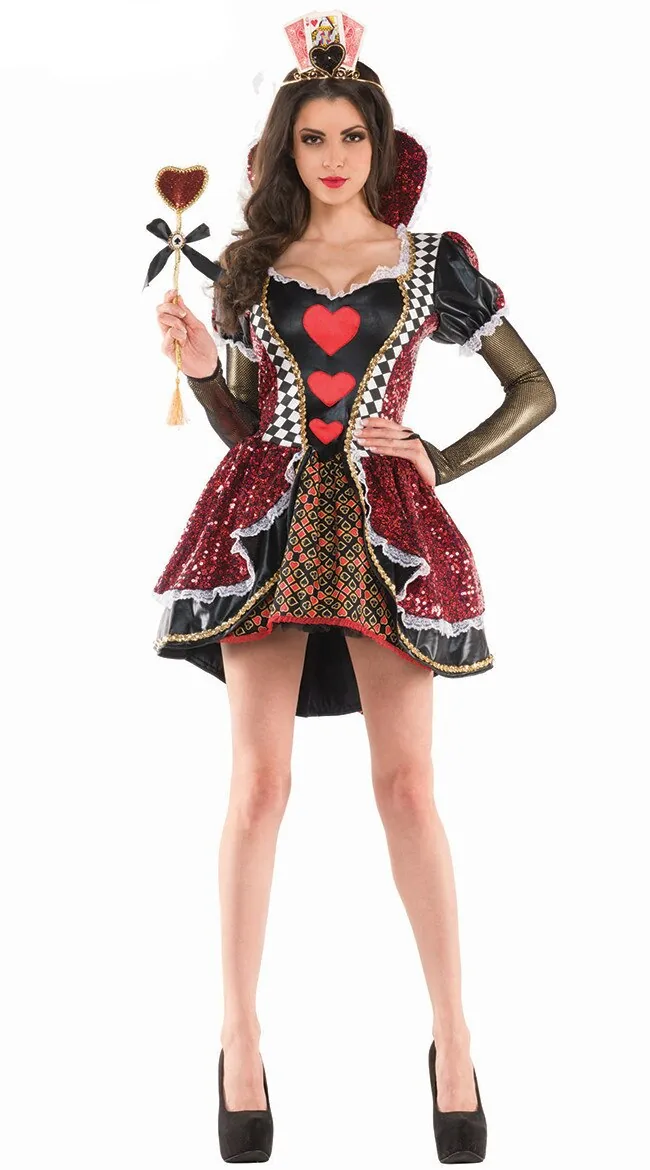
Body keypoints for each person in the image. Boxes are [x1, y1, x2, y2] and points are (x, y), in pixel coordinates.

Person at [151, 12, 556, 1163]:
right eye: (312, 137)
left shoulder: (428, 264)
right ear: (285, 148)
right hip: (266, 524)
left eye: (350, 136)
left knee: (409, 789)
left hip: (385, 528)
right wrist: (203, 369)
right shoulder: (248, 266)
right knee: (257, 787)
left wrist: (437, 457)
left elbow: (533, 390)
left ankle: (453, 1038)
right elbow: (242, 423)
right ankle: (237, 1038)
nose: (332, 156)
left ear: (378, 144)